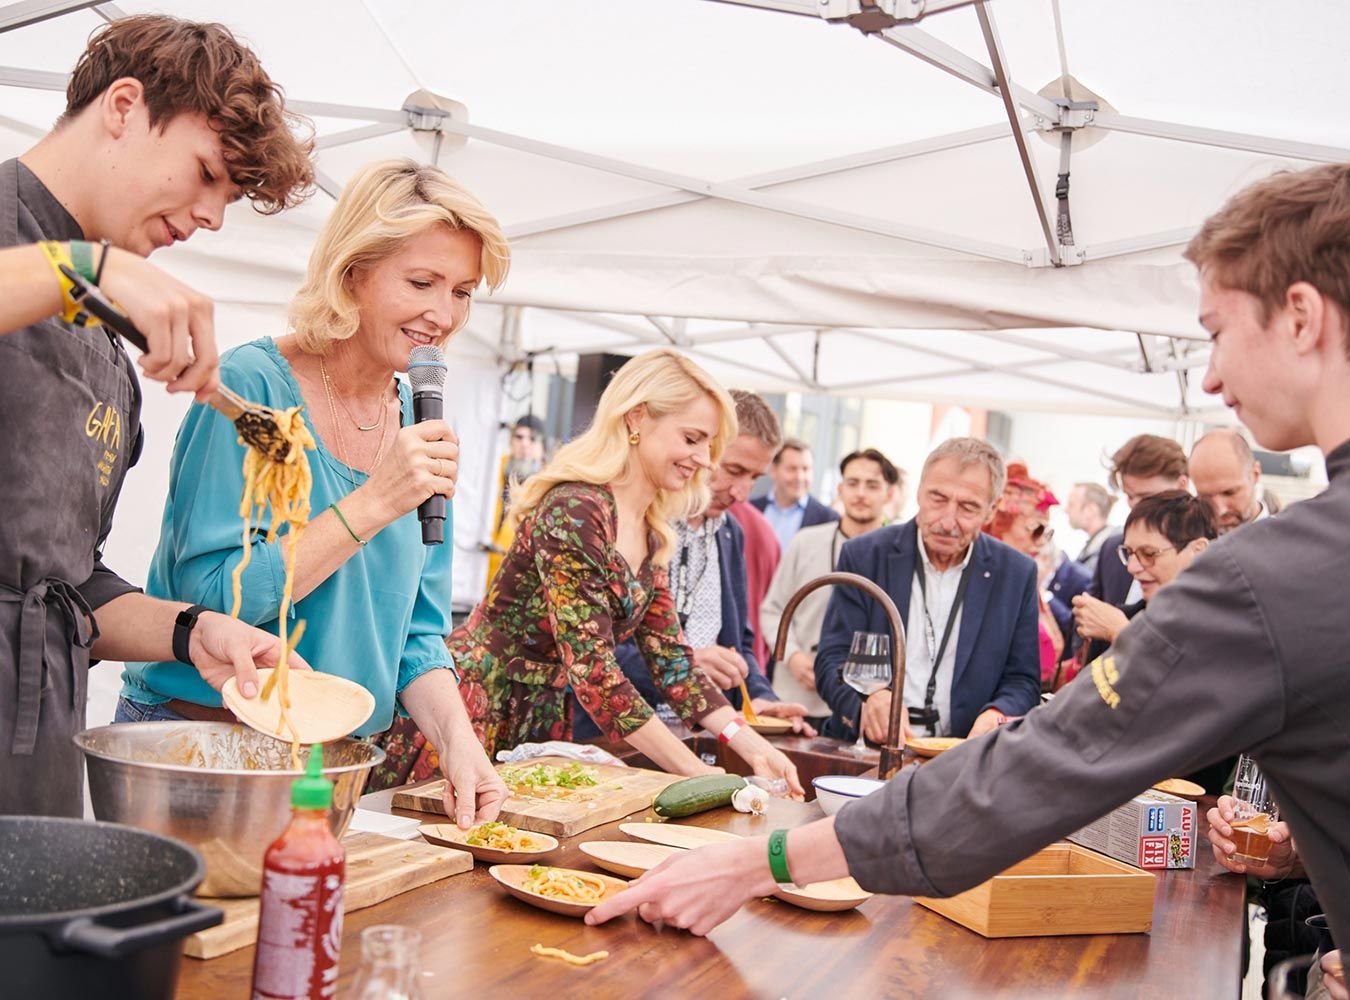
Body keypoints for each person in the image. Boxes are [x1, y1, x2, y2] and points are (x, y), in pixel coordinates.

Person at [587, 165, 1350, 972]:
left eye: (1217, 331)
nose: (1210, 376)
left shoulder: (1279, 574)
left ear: (1299, 316)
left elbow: (1051, 761)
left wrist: (762, 862)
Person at [119, 160, 511, 827]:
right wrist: (371, 504)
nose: (443, 314)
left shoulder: (420, 419)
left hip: (328, 770)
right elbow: (209, 602)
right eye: (421, 282)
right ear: (352, 271)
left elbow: (417, 634)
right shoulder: (255, 391)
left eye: (463, 291)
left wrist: (459, 741)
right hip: (201, 750)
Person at [0, 15, 316, 818]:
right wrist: (77, 269)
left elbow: (69, 583)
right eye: (206, 173)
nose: (212, 217)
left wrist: (194, 630)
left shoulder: (112, 343)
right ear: (124, 106)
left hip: (33, 772)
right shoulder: (57, 264)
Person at [450, 350, 803, 793]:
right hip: (477, 703)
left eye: (710, 445)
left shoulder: (651, 528)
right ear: (636, 417)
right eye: (692, 438)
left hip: (540, 710)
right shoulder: (577, 508)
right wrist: (699, 773)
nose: (704, 459)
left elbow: (673, 663)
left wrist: (753, 747)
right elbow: (594, 670)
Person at [572, 390, 812, 740]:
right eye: (734, 470)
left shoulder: (731, 533)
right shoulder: (628, 517)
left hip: (697, 730)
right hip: (615, 732)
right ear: (704, 447)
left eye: (755, 478)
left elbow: (738, 643)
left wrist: (759, 697)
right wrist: (688, 663)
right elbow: (589, 652)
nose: (742, 493)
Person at [811, 438, 1041, 743]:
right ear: (919, 492)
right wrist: (869, 701)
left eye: (968, 507)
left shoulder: (1017, 573)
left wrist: (995, 715)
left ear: (992, 511)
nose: (947, 522)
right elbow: (832, 658)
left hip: (961, 757)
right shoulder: (864, 555)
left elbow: (1023, 680)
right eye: (937, 498)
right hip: (868, 749)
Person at [762, 448, 900, 731]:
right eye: (852, 483)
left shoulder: (897, 557)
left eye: (872, 485)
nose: (861, 493)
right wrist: (793, 656)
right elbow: (772, 609)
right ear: (840, 488)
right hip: (796, 700)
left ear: (889, 494)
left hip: (861, 707)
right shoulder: (806, 541)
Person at [982, 463, 1069, 686]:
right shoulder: (987, 584)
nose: (1041, 541)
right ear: (1000, 526)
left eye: (1047, 532)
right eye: (1035, 529)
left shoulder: (1023, 580)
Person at [1088, 435, 1190, 608]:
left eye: (1147, 497)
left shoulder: (1206, 556)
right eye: (1129, 496)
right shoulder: (1112, 550)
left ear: (1181, 485)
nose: (1135, 506)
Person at [484, 414, 546, 585]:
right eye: (519, 437)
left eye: (532, 438)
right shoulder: (493, 468)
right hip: (479, 572)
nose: (524, 444)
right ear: (511, 441)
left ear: (541, 446)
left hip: (516, 579)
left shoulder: (546, 484)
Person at [751, 439, 838, 551]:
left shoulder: (828, 520)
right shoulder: (752, 508)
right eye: (792, 469)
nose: (799, 477)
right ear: (773, 470)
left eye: (805, 469)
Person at [1190, 427, 1282, 533]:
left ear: (1255, 475)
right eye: (1205, 497)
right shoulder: (1186, 538)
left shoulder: (1289, 542)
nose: (1220, 511)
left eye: (1229, 493)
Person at [726, 499, 780, 676]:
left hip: (740, 662)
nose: (739, 493)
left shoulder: (736, 525)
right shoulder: (762, 526)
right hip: (747, 659)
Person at [1065, 482, 1115, 573]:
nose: (1065, 510)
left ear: (1090, 509)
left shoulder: (1111, 548)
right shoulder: (1095, 546)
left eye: (1071, 505)